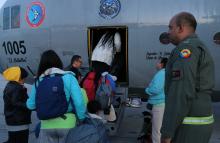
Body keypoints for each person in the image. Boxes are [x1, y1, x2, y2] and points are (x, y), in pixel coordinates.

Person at [161, 12, 215, 143]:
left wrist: (167, 133)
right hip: (199, 123)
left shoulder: (186, 49)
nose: (168, 32)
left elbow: (181, 92)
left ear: (180, 28)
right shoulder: (199, 46)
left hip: (187, 127)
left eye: (170, 27)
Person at [26, 50, 86, 143]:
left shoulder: (39, 81)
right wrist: (82, 118)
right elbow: (79, 102)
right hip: (68, 123)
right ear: (58, 61)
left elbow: (30, 105)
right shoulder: (69, 77)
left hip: (46, 126)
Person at [2, 66, 31, 143]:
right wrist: (29, 105)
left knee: (13, 140)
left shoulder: (9, 86)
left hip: (11, 120)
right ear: (18, 78)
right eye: (23, 78)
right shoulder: (17, 88)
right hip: (19, 121)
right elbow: (16, 102)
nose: (24, 80)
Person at [145, 57, 168, 143]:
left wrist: (147, 90)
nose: (157, 64)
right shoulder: (166, 73)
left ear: (162, 64)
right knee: (160, 129)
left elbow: (156, 89)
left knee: (156, 131)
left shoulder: (161, 74)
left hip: (158, 105)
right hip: (163, 103)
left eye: (158, 62)